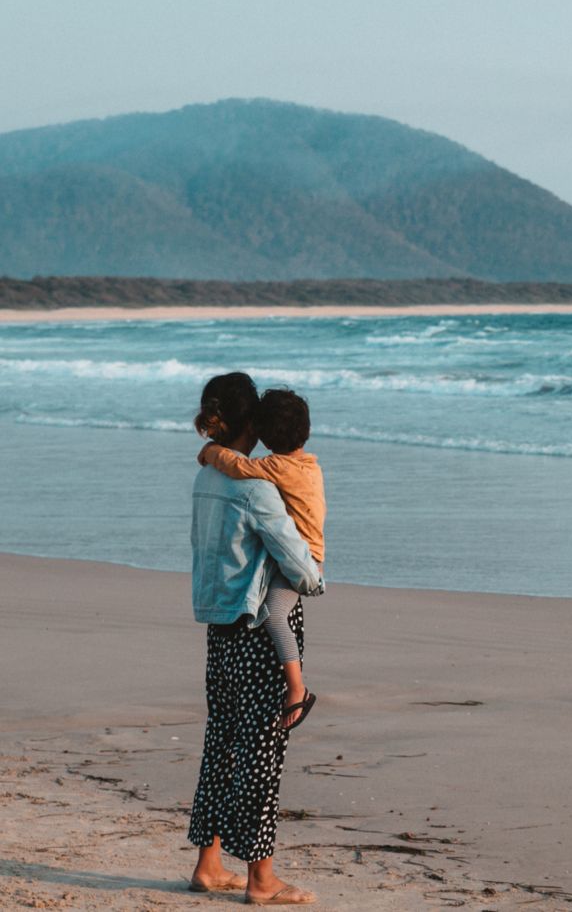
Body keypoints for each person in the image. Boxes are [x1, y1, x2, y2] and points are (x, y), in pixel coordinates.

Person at [188, 372, 322, 906]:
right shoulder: (257, 488)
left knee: (221, 745)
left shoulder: (206, 476)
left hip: (218, 627)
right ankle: (261, 881)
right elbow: (302, 570)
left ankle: (208, 864)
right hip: (257, 636)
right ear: (252, 425)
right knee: (261, 754)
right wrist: (313, 577)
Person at [198, 387, 326, 730]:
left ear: (265, 437)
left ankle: (297, 688)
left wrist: (210, 452)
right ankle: (295, 683)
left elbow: (238, 467)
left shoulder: (276, 468)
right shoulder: (309, 465)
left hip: (303, 560)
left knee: (272, 614)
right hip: (306, 553)